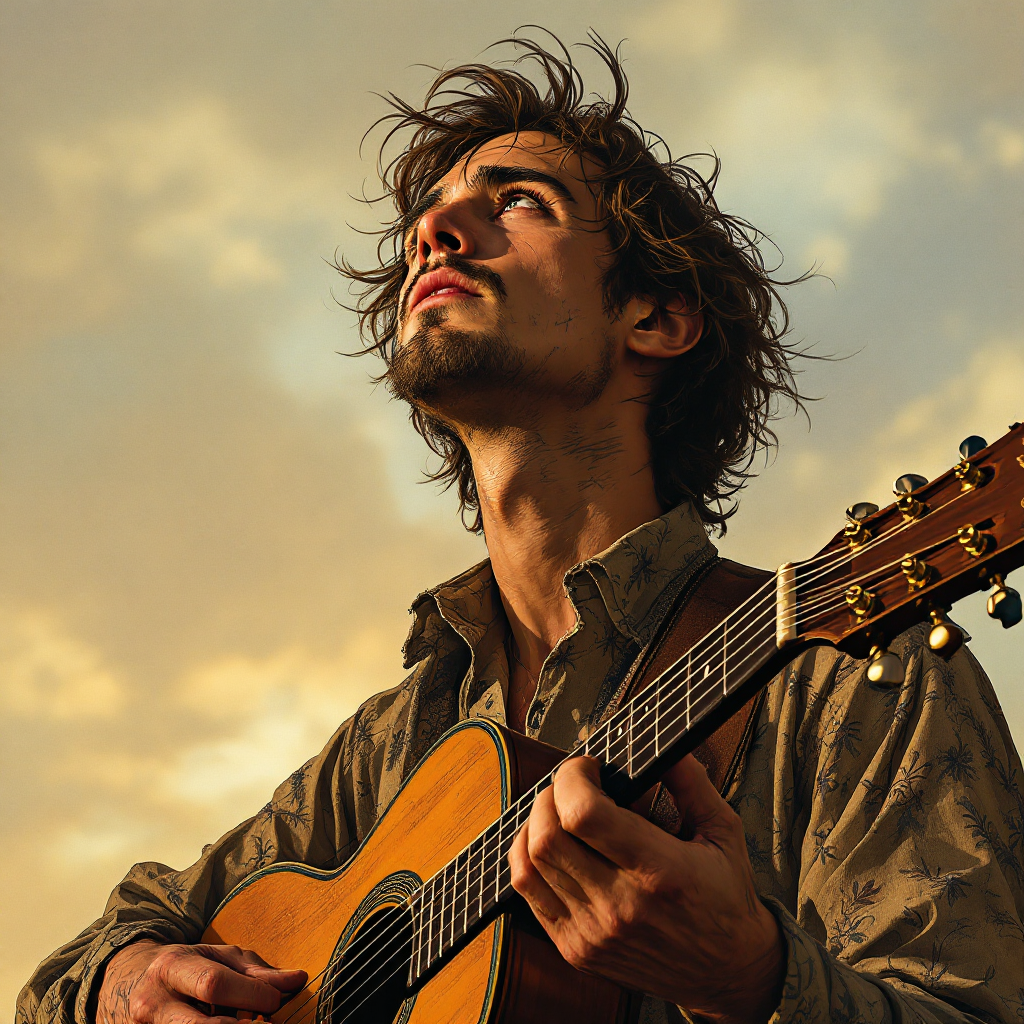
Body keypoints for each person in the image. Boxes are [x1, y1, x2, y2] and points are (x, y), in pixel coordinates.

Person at [18, 33, 1024, 1024]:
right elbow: (85, 956)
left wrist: (754, 980)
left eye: (518, 202)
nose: (438, 228)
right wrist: (126, 982)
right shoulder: (391, 746)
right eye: (431, 213)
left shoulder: (851, 670)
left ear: (655, 318)